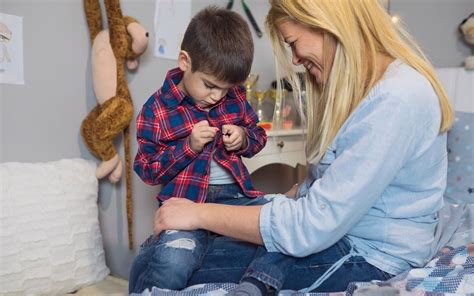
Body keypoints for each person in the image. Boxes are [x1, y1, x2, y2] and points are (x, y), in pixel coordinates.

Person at [132, 0, 454, 294]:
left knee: (167, 265)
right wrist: (297, 197)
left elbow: (312, 226)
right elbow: (338, 192)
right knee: (157, 257)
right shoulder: (367, 92)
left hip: (368, 253)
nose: (295, 60)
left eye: (293, 44)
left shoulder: (397, 98)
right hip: (338, 234)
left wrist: (197, 212)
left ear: (326, 22)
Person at [129, 6, 296, 295]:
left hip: (235, 200)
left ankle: (255, 285)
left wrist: (243, 138)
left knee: (288, 225)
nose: (218, 96)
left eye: (227, 88)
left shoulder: (234, 99)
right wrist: (188, 147)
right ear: (185, 62)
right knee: (173, 261)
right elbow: (147, 170)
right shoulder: (157, 109)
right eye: (210, 85)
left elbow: (258, 137)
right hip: (185, 204)